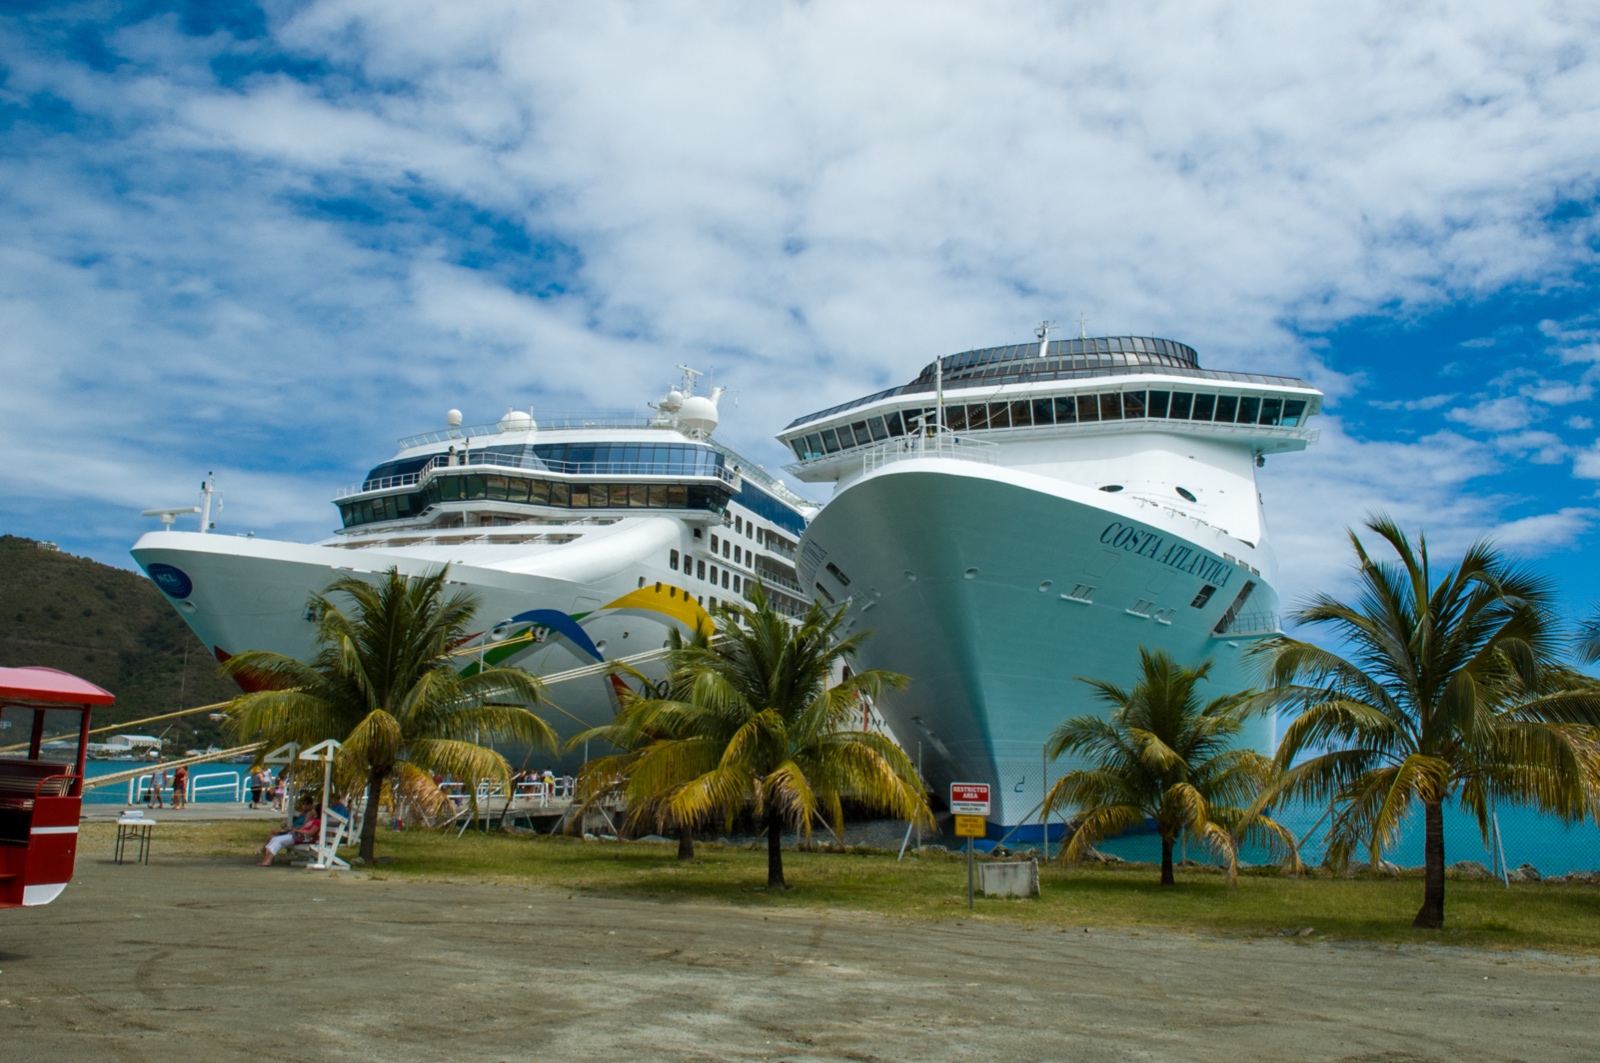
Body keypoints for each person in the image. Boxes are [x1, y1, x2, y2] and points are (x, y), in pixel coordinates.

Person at [258, 798, 320, 866]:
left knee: (278, 840)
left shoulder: (317, 822)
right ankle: (266, 860)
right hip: (298, 835)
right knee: (274, 839)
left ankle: (268, 861)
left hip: (306, 838)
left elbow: (310, 833)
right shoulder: (313, 820)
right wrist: (294, 830)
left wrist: (297, 830)